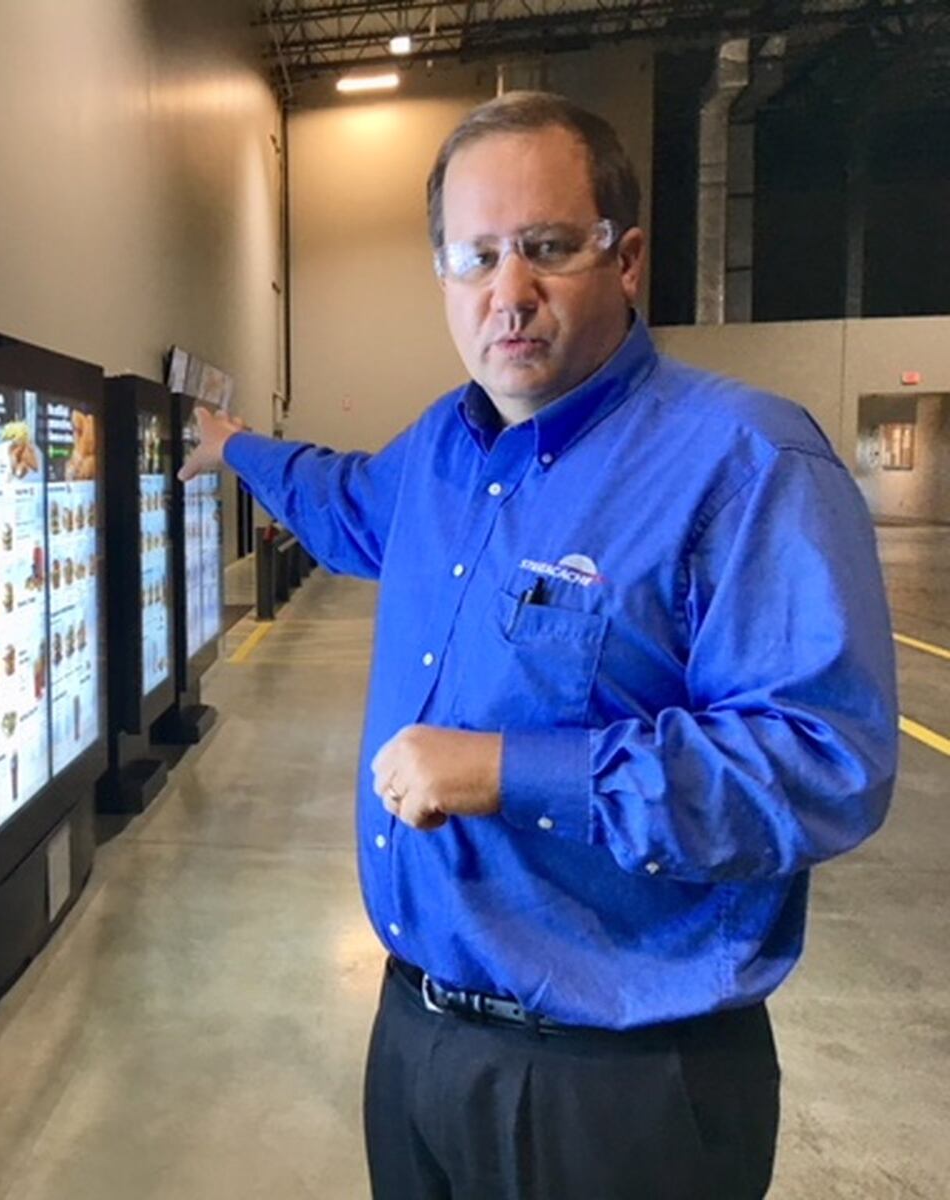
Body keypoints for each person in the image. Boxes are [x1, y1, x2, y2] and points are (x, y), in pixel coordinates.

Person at [180, 91, 897, 1200]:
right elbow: (339, 500)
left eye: (546, 249)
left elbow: (819, 767)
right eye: (473, 259)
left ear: (626, 258)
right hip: (417, 1038)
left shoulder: (743, 464)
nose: (506, 295)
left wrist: (511, 773)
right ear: (441, 277)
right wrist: (232, 447)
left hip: (617, 1090)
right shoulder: (441, 453)